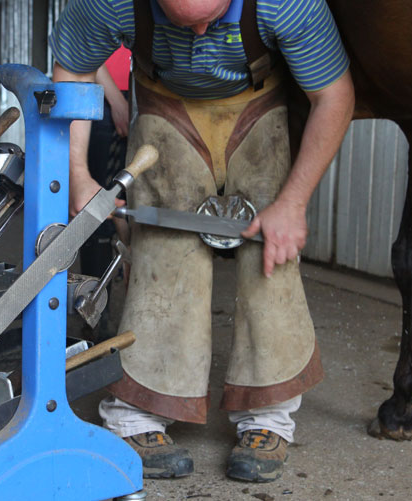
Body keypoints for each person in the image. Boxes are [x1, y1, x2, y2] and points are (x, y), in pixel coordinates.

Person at [50, 0, 354, 483]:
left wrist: (293, 203)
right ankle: (136, 414)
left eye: (211, 18)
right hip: (162, 101)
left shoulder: (288, 4)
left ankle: (268, 418)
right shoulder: (107, 2)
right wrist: (78, 174)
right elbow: (73, 70)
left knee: (271, 252)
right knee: (163, 253)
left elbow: (334, 96)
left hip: (258, 101)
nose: (200, 34)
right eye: (185, 23)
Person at [79, 49, 131, 341]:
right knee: (100, 214)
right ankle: (96, 318)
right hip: (105, 100)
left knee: (131, 214)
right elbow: (87, 40)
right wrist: (116, 100)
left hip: (145, 96)